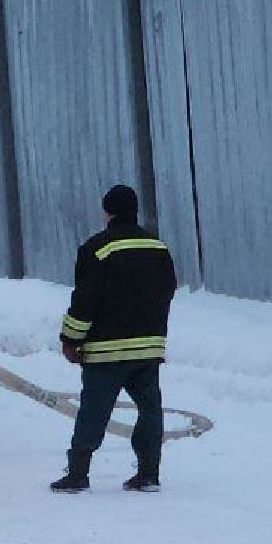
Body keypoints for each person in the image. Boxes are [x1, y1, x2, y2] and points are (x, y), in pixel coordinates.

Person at [52, 183, 179, 494]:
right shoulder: (158, 248)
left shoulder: (97, 249)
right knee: (150, 409)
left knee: (94, 410)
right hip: (148, 346)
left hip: (106, 349)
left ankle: (78, 473)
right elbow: (168, 289)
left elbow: (85, 300)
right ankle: (148, 473)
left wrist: (70, 339)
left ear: (107, 212)